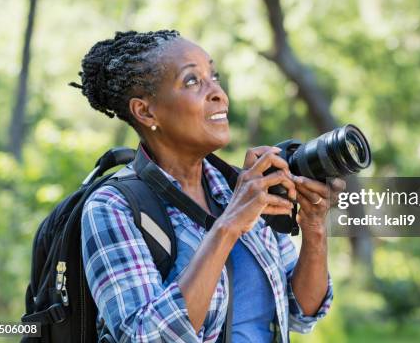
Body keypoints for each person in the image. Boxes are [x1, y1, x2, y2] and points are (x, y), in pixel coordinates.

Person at [72, 30, 342, 342]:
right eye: (192, 81)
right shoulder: (113, 207)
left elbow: (301, 312)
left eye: (213, 76)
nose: (218, 94)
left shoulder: (243, 188)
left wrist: (314, 228)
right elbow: (145, 337)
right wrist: (228, 226)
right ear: (146, 111)